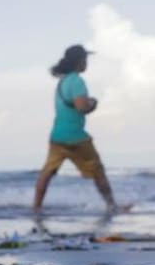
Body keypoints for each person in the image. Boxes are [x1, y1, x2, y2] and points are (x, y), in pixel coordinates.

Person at [33, 44, 127, 215]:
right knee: (98, 170)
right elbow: (81, 107)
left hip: (57, 136)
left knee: (47, 172)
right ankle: (112, 206)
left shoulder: (62, 82)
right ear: (79, 61)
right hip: (75, 137)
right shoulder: (77, 81)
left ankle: (36, 207)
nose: (87, 63)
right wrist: (93, 104)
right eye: (85, 59)